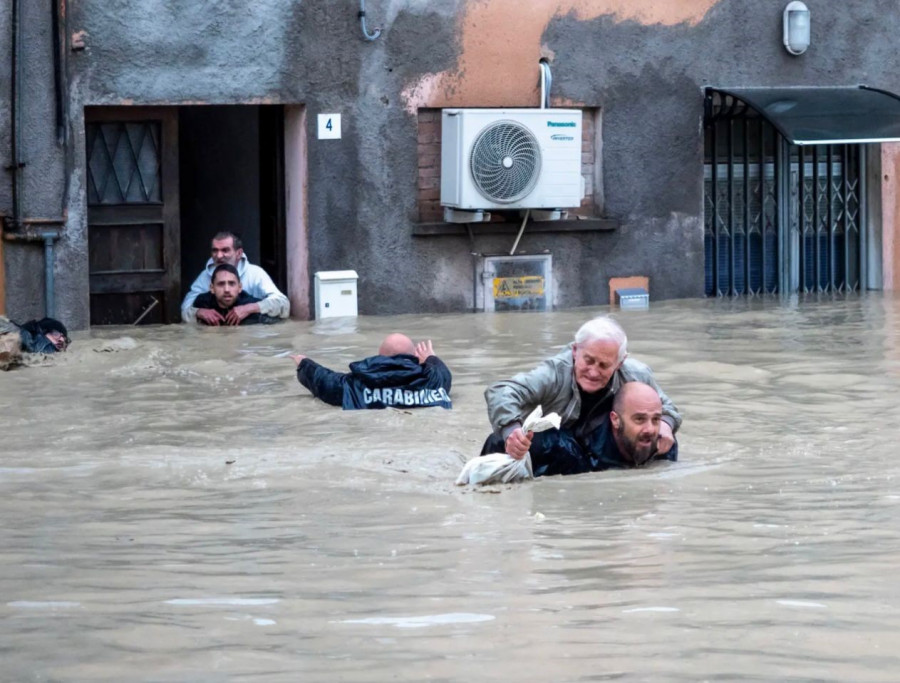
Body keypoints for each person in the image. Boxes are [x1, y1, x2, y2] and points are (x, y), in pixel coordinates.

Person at [481, 315, 681, 469]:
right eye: (588, 360)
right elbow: (501, 391)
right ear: (575, 350)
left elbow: (668, 408)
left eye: (604, 365)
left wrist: (665, 424)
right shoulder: (554, 373)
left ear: (620, 362)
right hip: (553, 443)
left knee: (664, 441)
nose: (593, 372)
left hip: (594, 448)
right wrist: (512, 432)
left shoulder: (636, 374)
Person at [291, 333, 452, 409]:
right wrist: (432, 359)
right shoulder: (433, 381)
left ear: (380, 358)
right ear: (414, 357)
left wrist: (304, 364)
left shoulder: (356, 383)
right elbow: (444, 377)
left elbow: (326, 383)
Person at [181, 231, 289, 325]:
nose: (219, 256)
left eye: (225, 250)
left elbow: (284, 305)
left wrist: (249, 308)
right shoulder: (204, 277)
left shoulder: (255, 274)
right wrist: (199, 312)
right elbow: (185, 311)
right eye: (215, 250)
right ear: (212, 287)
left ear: (239, 253)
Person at [192, 264, 279, 326]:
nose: (227, 290)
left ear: (240, 287)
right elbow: (185, 315)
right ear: (212, 288)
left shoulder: (249, 304)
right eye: (221, 284)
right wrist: (197, 312)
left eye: (231, 284)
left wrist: (249, 309)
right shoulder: (202, 303)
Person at [0, 316, 70, 370]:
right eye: (56, 334)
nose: (61, 340)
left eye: (64, 338)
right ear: (41, 331)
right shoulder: (13, 337)